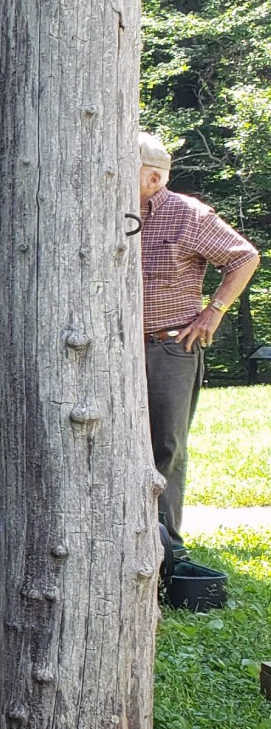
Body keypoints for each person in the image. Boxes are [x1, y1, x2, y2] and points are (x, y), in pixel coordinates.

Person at [136, 132, 260, 570]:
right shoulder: (112, 212)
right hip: (115, 350)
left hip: (171, 347)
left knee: (166, 447)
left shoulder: (188, 215)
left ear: (152, 176)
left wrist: (214, 312)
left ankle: (166, 550)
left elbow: (244, 257)